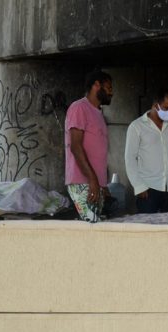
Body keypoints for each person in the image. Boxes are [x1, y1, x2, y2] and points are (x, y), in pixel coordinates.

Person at [65, 71, 113, 222]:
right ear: (96, 85)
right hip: (83, 182)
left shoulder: (98, 113)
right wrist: (93, 179)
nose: (111, 92)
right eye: (109, 87)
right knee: (91, 228)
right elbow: (76, 147)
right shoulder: (79, 108)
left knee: (95, 228)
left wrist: (102, 184)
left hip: (95, 184)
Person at [125, 88, 168, 213]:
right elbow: (129, 159)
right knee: (148, 229)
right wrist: (139, 186)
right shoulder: (137, 127)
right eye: (166, 108)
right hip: (148, 189)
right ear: (156, 105)